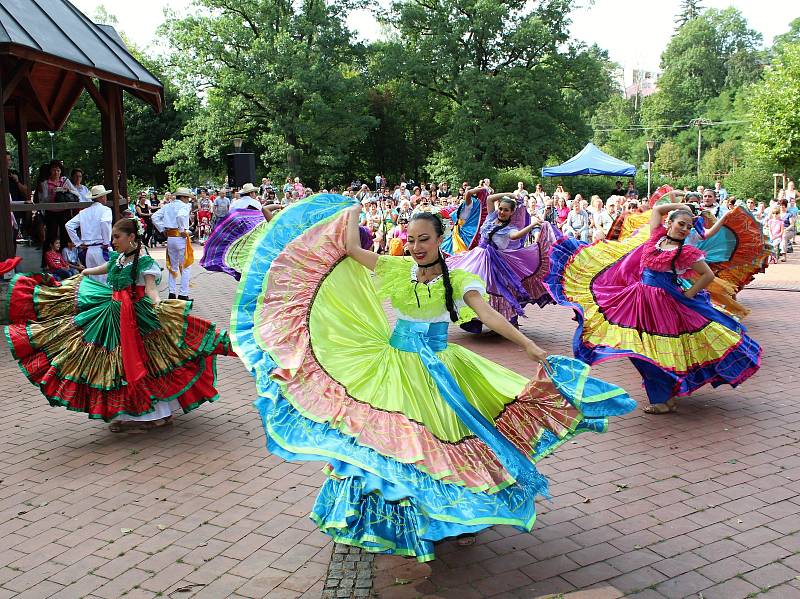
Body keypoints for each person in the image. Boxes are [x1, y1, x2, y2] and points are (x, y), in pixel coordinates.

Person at [226, 193, 634, 560]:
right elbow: (350, 249)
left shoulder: (458, 278)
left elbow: (487, 312)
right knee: (387, 441)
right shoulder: (395, 267)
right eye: (411, 238)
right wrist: (350, 208)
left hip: (440, 367)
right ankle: (395, 517)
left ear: (439, 239)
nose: (417, 246)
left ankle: (460, 516)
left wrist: (529, 346)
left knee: (445, 444)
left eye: (424, 238)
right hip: (393, 365)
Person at [5, 217, 233, 432]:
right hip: (113, 313)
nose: (113, 241)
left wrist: (158, 305)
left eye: (117, 237)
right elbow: (104, 268)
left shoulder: (144, 262)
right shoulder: (118, 258)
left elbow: (151, 288)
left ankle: (155, 414)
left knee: (147, 359)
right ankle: (128, 413)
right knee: (116, 362)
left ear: (131, 237)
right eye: (113, 237)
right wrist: (84, 271)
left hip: (137, 316)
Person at [547, 196, 761, 414]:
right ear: (670, 223)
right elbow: (658, 209)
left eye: (688, 227)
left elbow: (706, 275)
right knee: (636, 349)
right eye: (681, 224)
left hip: (663, 304)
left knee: (653, 351)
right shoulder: (656, 235)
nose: (684, 229)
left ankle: (662, 398)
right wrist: (681, 206)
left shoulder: (686, 251)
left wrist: (689, 293)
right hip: (638, 299)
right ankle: (664, 396)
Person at [448, 195, 557, 332]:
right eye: (500, 209)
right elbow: (489, 199)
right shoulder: (491, 217)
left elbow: (515, 236)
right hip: (477, 257)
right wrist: (509, 195)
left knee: (497, 289)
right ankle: (473, 318)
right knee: (467, 282)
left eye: (506, 210)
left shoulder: (510, 228)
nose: (502, 212)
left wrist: (533, 224)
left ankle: (505, 321)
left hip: (495, 261)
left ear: (512, 212)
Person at [152, 187, 195, 300]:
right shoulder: (184, 206)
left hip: (170, 237)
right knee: (186, 266)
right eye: (188, 198)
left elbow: (154, 217)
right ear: (184, 197)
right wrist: (182, 230)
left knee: (173, 266)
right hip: (180, 238)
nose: (188, 200)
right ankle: (183, 294)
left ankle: (172, 292)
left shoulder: (168, 205)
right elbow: (180, 216)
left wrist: (162, 229)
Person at [65, 184, 113, 283]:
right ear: (102, 197)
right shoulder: (106, 210)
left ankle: (94, 297)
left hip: (89, 250)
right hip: (101, 248)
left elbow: (69, 225)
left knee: (93, 278)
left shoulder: (84, 212)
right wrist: (106, 242)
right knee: (106, 277)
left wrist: (78, 243)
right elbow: (104, 222)